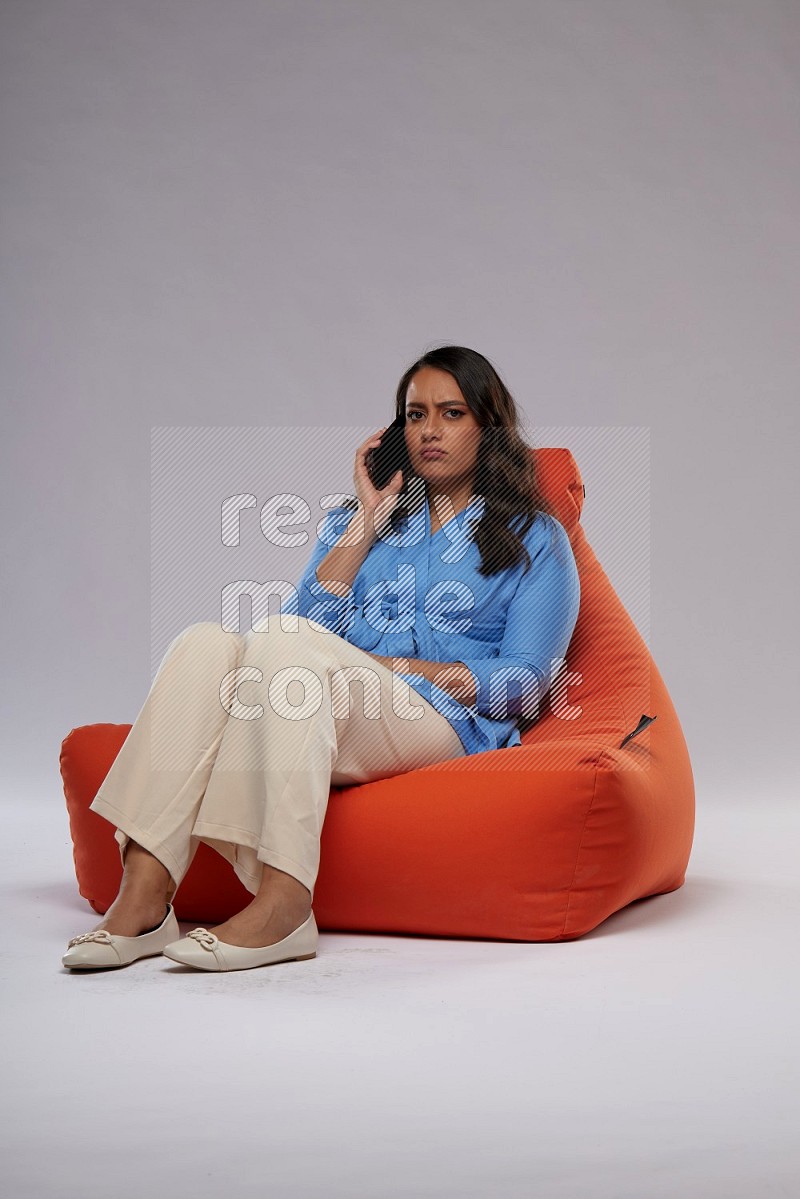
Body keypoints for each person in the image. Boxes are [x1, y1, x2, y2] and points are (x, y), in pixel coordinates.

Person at [62, 345, 580, 973]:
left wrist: (399, 672)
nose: (430, 431)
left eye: (452, 413)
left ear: (487, 427)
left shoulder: (535, 538)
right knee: (204, 644)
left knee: (286, 650)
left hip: (445, 722)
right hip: (327, 699)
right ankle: (144, 894)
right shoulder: (355, 527)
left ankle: (285, 902)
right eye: (415, 415)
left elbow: (524, 684)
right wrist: (368, 518)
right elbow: (299, 631)